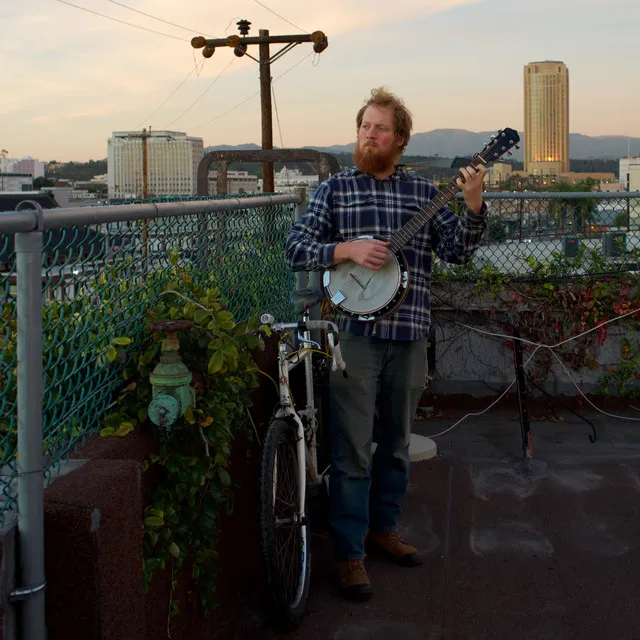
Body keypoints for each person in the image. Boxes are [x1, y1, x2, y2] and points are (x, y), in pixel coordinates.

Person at [284, 87, 488, 601]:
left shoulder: (423, 192)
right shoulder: (334, 191)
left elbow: (459, 251)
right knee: (352, 447)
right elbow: (295, 247)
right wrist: (345, 249)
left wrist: (472, 201)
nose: (368, 135)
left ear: (399, 139)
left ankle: (385, 529)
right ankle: (350, 554)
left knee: (395, 444)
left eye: (379, 128)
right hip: (353, 336)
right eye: (363, 127)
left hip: (408, 332)